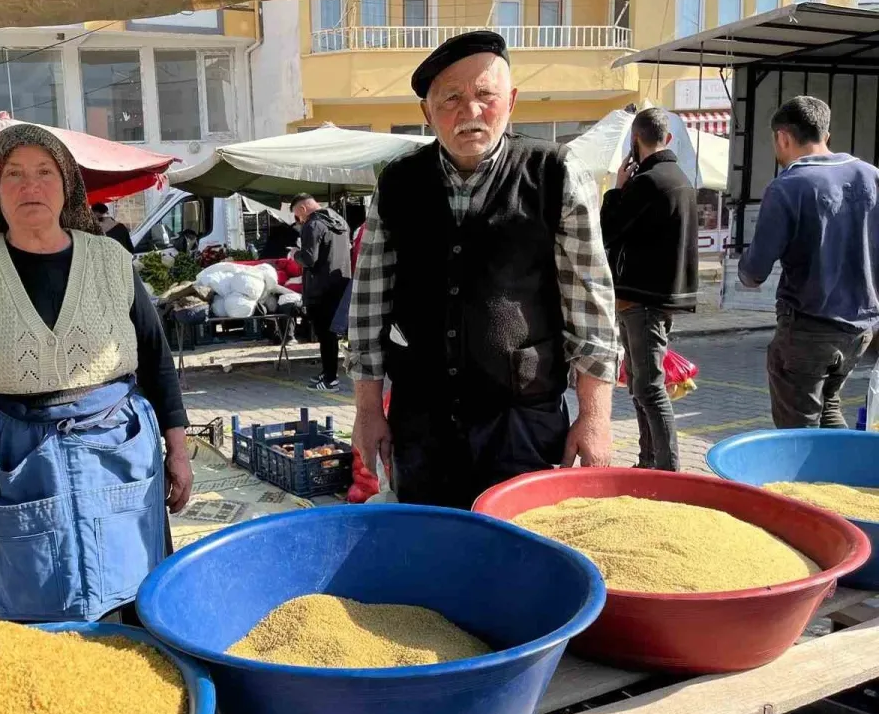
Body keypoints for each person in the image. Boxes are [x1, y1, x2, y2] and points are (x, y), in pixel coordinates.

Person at [0, 124, 193, 625]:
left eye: (45, 173)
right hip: (11, 452)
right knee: (27, 593)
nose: (30, 186)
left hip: (115, 447)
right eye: (13, 175)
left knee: (128, 585)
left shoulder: (111, 259)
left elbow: (154, 356)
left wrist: (178, 448)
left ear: (67, 187)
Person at [349, 30, 619, 509]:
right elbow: (369, 305)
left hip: (521, 419)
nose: (470, 112)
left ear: (511, 100)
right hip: (422, 419)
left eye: (484, 95)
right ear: (427, 113)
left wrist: (594, 418)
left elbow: (591, 305)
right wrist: (368, 411)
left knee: (518, 546)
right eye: (451, 98)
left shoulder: (554, 174)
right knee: (430, 548)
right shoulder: (398, 183)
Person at [739, 95, 879, 429]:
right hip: (860, 330)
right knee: (829, 406)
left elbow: (754, 271)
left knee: (797, 431)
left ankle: (812, 479)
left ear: (782, 137)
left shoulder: (787, 187)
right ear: (825, 136)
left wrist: (744, 271)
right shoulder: (872, 176)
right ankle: (844, 478)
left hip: (807, 327)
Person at [600, 108, 699, 471]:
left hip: (639, 297)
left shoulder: (646, 183)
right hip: (660, 297)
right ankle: (647, 460)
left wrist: (616, 190)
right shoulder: (680, 178)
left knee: (649, 387)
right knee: (642, 384)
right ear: (667, 139)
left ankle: (668, 468)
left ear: (634, 142)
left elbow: (608, 231)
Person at [291, 193, 352, 391]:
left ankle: (330, 379)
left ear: (302, 209)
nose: (299, 221)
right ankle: (328, 372)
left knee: (325, 336)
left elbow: (309, 259)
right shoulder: (339, 220)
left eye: (297, 216)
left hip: (320, 289)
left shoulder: (312, 225)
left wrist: (294, 254)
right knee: (332, 335)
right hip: (341, 285)